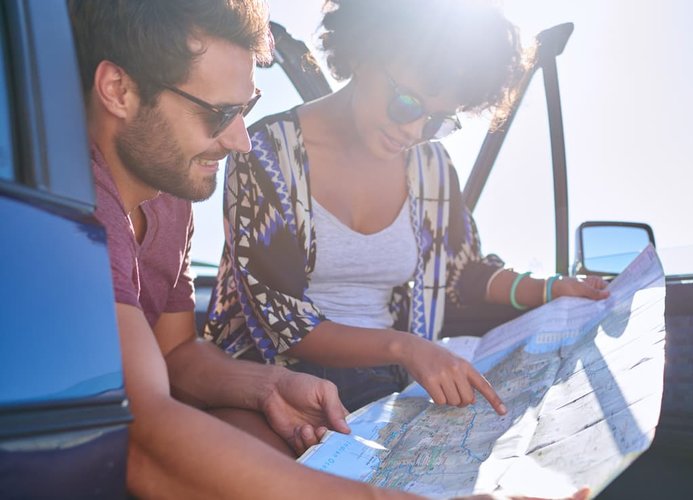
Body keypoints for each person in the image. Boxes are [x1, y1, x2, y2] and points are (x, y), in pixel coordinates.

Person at [68, 0, 440, 497]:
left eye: (246, 109)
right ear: (118, 90)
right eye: (219, 113)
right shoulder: (76, 207)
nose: (241, 141)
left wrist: (266, 386)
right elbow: (141, 440)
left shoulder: (170, 196)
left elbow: (175, 352)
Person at [204, 0, 609, 416]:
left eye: (437, 121)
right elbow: (284, 324)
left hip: (387, 383)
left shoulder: (431, 167)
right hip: (279, 378)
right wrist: (406, 348)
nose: (416, 132)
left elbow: (461, 273)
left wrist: (550, 289)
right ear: (366, 54)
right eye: (408, 104)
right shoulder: (263, 152)